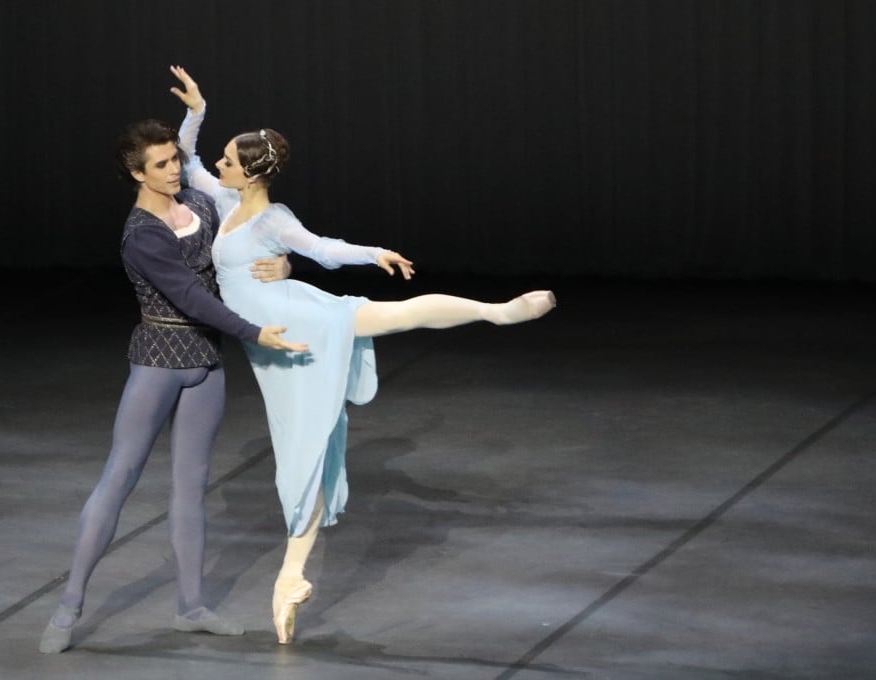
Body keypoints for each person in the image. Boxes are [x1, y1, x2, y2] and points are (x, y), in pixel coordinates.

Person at [169, 65, 556, 644]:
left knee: (391, 323)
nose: (218, 165)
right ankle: (290, 579)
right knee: (305, 455)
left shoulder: (274, 218)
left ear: (250, 174)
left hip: (300, 321)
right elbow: (186, 158)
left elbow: (323, 248)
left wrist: (374, 252)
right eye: (223, 158)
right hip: (276, 344)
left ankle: (495, 311)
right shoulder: (226, 199)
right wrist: (198, 110)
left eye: (229, 160)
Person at [39, 118, 307, 654]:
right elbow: (193, 297)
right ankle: (69, 603)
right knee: (120, 477)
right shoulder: (141, 236)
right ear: (136, 172)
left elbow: (248, 241)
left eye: (175, 159)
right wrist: (254, 332)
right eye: (161, 164)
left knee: (192, 486)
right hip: (160, 359)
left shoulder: (205, 207)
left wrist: (281, 262)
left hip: (205, 359)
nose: (174, 169)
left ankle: (191, 607)